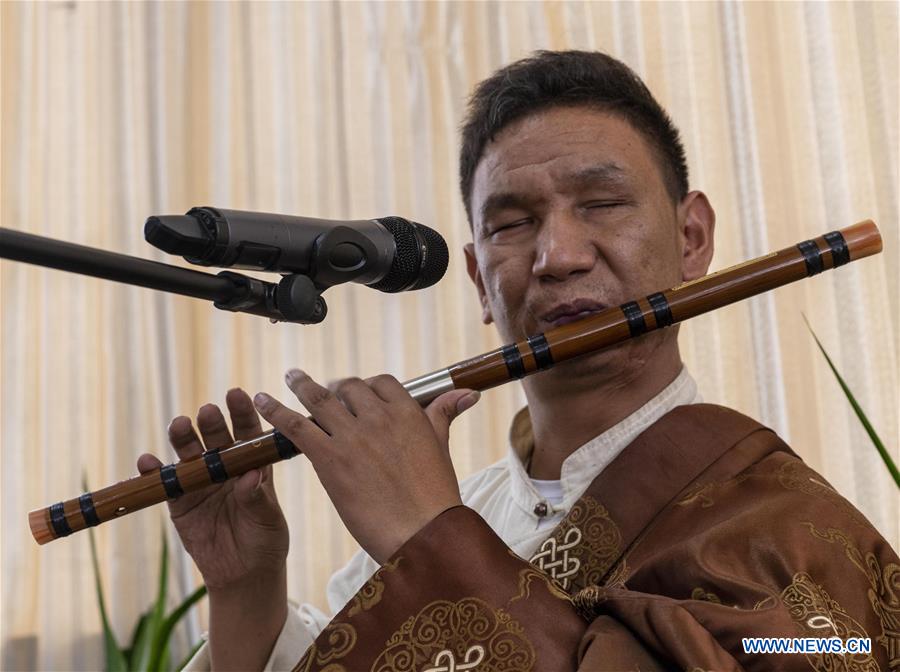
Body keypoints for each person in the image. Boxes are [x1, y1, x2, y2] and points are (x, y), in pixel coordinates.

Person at [142, 51, 899, 671]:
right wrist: (247, 589)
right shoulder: (441, 512)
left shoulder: (787, 523)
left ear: (692, 237)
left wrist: (431, 542)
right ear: (478, 278)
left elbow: (824, 650)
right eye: (512, 223)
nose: (558, 256)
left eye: (602, 205)